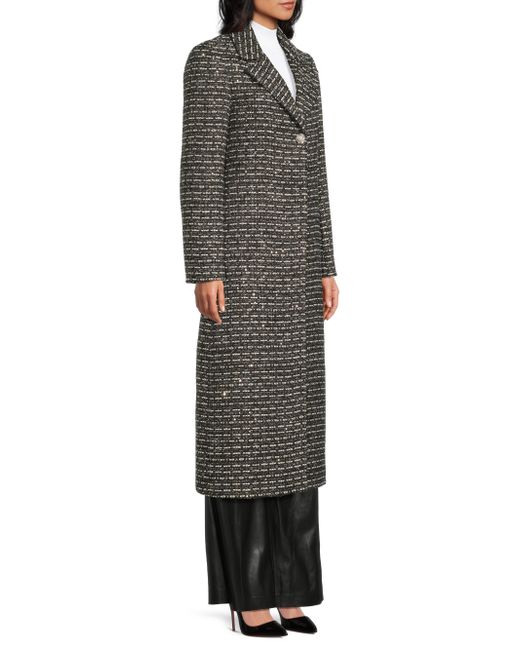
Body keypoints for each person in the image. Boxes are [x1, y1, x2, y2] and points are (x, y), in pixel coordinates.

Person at [180, 0, 339, 637]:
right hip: (241, 273)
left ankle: (292, 589)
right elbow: (200, 166)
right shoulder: (214, 60)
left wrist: (324, 262)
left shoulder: (305, 65)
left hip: (296, 270)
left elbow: (316, 171)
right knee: (242, 427)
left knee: (294, 427)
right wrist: (205, 266)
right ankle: (249, 595)